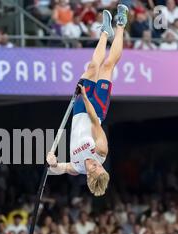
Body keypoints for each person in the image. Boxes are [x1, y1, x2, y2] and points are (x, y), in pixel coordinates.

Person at [47, 4, 129, 197]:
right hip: (96, 109)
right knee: (107, 66)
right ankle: (121, 24)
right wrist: (84, 97)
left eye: (93, 169)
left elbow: (58, 169)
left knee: (92, 67)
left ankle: (104, 32)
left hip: (77, 110)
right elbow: (93, 120)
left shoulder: (77, 167)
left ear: (87, 176)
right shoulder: (101, 151)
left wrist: (52, 163)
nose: (95, 164)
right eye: (99, 167)